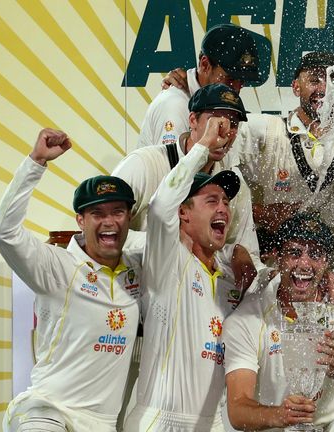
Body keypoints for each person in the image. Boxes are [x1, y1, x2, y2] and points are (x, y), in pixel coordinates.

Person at [0, 129, 141, 431]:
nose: (110, 221)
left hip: (102, 423)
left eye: (118, 211)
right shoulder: (58, 266)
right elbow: (4, 233)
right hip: (46, 412)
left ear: (129, 217)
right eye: (97, 213)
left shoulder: (140, 267)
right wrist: (35, 163)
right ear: (80, 220)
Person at [221, 212, 334, 431]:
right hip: (276, 425)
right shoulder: (248, 317)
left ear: (326, 263)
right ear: (278, 257)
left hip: (331, 425)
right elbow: (238, 410)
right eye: (295, 253)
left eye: (315, 254)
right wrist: (281, 415)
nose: (305, 264)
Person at [124, 116, 242, 431]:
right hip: (161, 422)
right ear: (184, 213)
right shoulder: (168, 259)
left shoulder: (231, 277)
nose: (223, 208)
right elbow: (161, 206)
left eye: (227, 202)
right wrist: (202, 146)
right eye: (212, 200)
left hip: (214, 423)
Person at [113, 83, 262, 286]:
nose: (224, 131)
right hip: (136, 288)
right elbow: (103, 232)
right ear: (192, 120)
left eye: (233, 123)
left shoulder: (235, 184)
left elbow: (248, 254)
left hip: (197, 296)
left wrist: (239, 253)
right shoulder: (144, 164)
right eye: (215, 121)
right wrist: (166, 246)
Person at [237, 51, 334, 236]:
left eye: (333, 82)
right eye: (314, 80)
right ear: (296, 87)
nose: (323, 90)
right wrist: (259, 212)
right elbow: (210, 175)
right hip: (275, 260)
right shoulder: (264, 131)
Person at [136, 22, 259, 150]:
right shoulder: (174, 105)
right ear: (205, 64)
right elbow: (171, 168)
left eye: (242, 80)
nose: (237, 88)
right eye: (231, 79)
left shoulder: (220, 104)